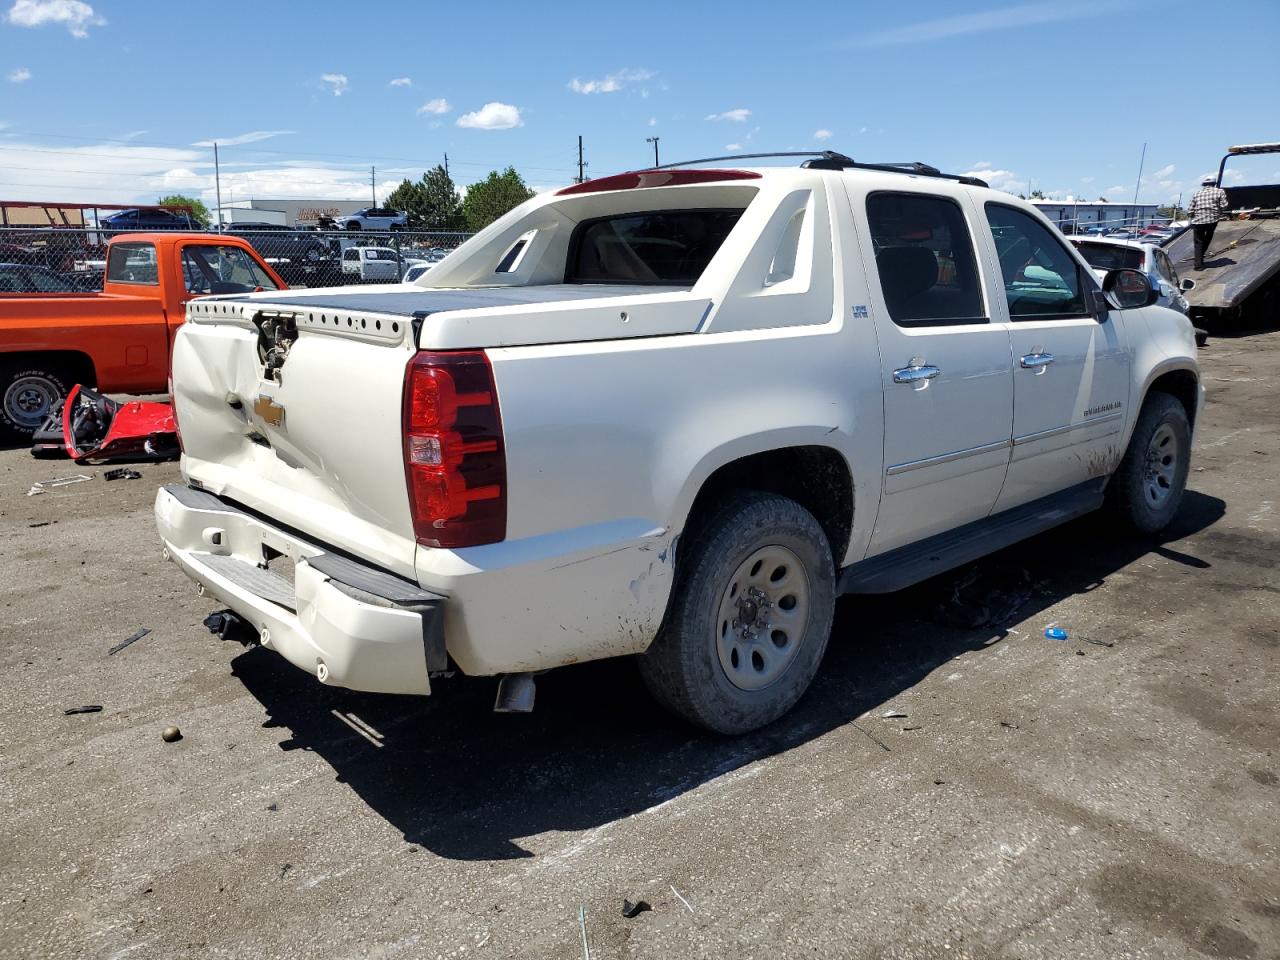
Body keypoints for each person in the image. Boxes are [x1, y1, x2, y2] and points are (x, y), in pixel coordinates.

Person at [1188, 174, 1230, 270]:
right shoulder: (1219, 191)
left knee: (1198, 242)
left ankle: (1198, 265)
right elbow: (1224, 205)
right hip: (1212, 220)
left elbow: (1190, 210)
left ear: (1203, 184)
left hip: (1198, 221)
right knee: (1208, 238)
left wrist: (1191, 218)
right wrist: (1219, 210)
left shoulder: (1197, 193)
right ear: (1214, 183)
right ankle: (1200, 258)